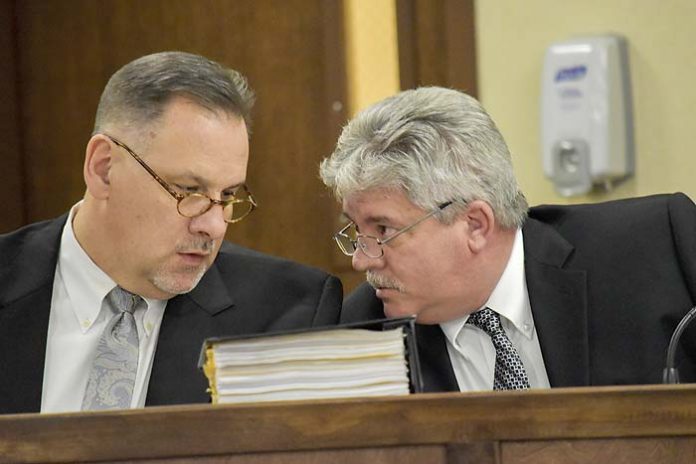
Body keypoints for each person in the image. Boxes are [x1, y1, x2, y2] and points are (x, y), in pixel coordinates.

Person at [0, 51, 342, 414]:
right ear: (103, 169)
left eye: (227, 196)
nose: (213, 225)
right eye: (189, 191)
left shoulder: (286, 314)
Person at [320, 86, 696, 392]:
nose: (361, 260)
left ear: (476, 224)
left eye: (383, 231)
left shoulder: (657, 248)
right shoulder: (363, 334)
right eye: (357, 231)